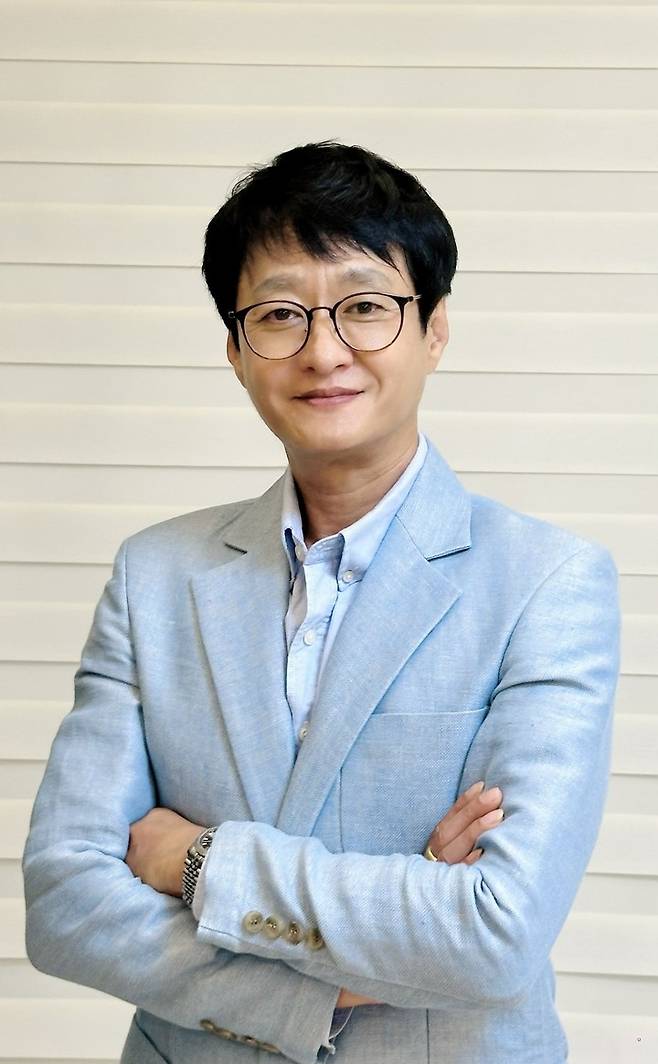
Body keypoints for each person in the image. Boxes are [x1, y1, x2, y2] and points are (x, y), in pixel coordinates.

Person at [22, 140, 621, 1064]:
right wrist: (349, 969)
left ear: (435, 328)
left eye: (366, 307)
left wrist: (198, 861)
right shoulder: (155, 577)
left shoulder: (548, 582)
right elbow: (65, 904)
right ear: (235, 349)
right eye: (279, 315)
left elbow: (496, 931)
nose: (324, 351)